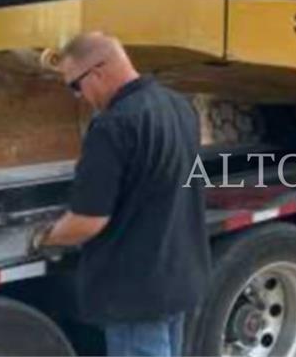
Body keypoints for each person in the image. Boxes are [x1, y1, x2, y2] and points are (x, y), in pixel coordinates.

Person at [30, 32, 211, 357]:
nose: (78, 96)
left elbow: (88, 222)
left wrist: (45, 236)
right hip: (177, 277)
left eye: (75, 85)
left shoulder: (112, 126)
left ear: (97, 72)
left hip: (134, 295)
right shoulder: (180, 105)